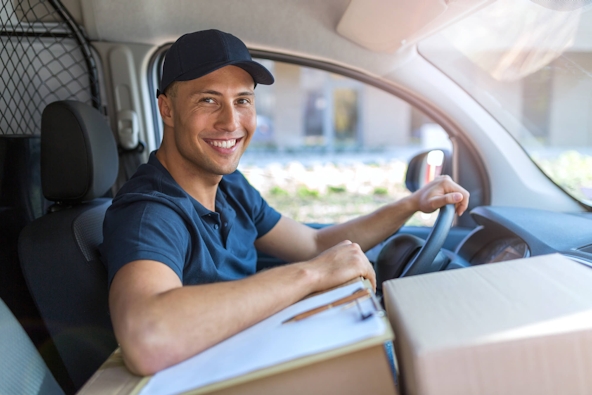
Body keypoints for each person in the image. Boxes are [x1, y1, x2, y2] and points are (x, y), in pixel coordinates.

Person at [100, 29, 469, 376]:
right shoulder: (150, 213)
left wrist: (411, 204)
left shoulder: (229, 187)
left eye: (242, 100)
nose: (231, 121)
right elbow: (147, 337)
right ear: (167, 110)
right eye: (208, 100)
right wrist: (312, 274)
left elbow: (313, 244)